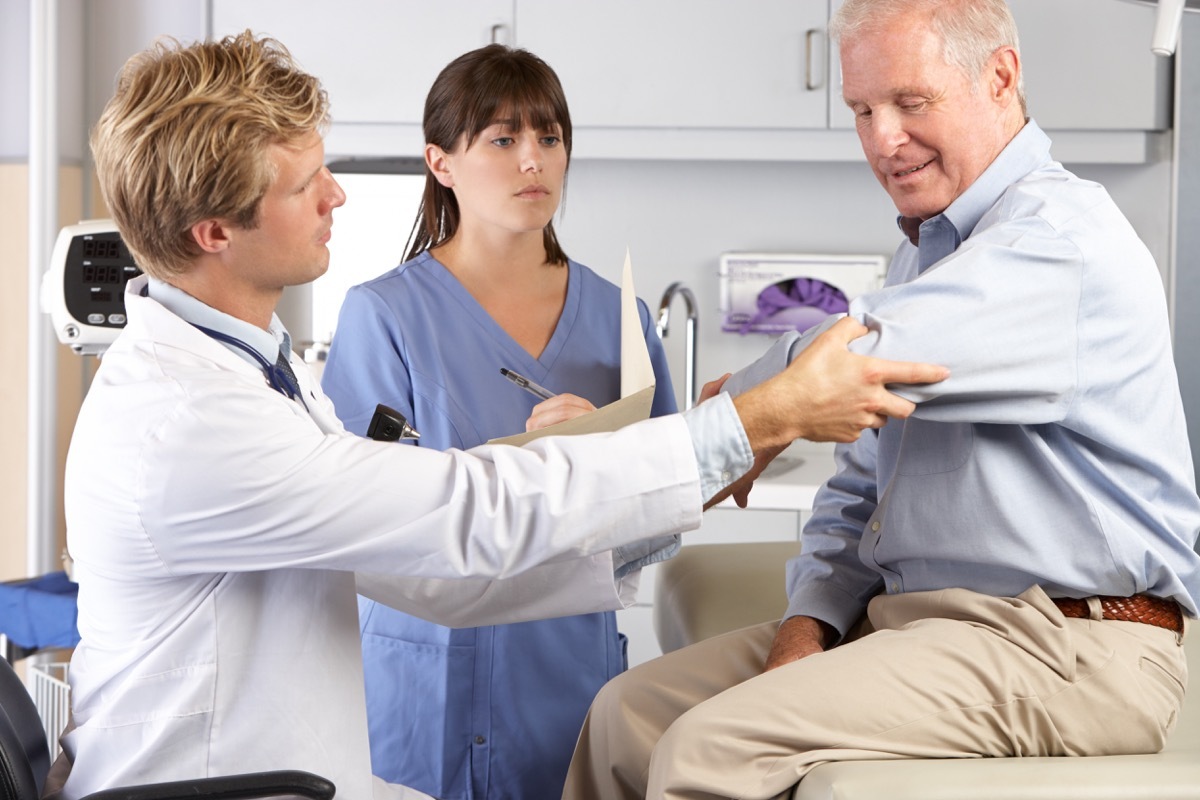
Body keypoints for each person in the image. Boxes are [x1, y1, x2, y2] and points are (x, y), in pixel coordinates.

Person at [48, 31, 947, 800]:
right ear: (216, 232)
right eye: (305, 183)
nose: (339, 197)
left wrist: (682, 467)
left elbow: (439, 571)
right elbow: (460, 513)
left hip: (308, 764)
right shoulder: (191, 421)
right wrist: (755, 420)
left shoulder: (255, 372)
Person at [562, 1, 1200, 798]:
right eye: (862, 109)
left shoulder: (1058, 242)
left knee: (708, 748)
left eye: (910, 102)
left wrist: (744, 410)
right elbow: (863, 487)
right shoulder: (927, 257)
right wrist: (811, 622)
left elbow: (853, 356)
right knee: (628, 716)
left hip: (1070, 646)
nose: (881, 139)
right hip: (922, 624)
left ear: (1000, 77)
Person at [319, 45, 676, 800]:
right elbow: (360, 511)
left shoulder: (620, 318)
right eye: (503, 140)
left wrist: (607, 460)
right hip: (425, 675)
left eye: (549, 139)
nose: (533, 163)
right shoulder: (383, 314)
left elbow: (669, 509)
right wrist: (520, 467)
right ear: (440, 162)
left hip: (565, 669)